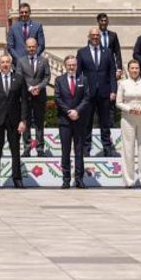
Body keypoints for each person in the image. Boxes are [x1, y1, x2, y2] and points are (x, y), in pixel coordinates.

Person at [0, 54, 28, 189]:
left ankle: (17, 179)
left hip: (14, 121)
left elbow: (24, 102)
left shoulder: (19, 79)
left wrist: (23, 121)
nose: (5, 64)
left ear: (11, 64)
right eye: (2, 62)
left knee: (15, 151)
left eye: (7, 62)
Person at [76, 28, 118, 158]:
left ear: (100, 37)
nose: (95, 37)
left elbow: (112, 73)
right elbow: (78, 74)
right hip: (88, 94)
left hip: (105, 93)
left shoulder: (108, 52)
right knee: (87, 123)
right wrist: (80, 92)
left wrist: (113, 90)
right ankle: (86, 149)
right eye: (93, 35)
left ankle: (107, 148)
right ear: (88, 36)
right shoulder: (82, 52)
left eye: (97, 35)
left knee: (105, 123)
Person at [116, 59, 141, 188]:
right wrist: (129, 109)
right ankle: (129, 180)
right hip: (127, 118)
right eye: (132, 68)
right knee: (128, 148)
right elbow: (118, 102)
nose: (134, 70)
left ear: (139, 69)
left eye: (136, 68)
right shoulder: (123, 84)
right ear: (128, 69)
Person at [55, 55, 91, 189]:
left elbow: (87, 97)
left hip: (79, 120)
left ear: (76, 65)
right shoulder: (59, 80)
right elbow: (58, 98)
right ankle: (66, 179)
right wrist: (69, 111)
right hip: (65, 120)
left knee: (79, 151)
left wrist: (77, 111)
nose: (71, 67)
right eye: (69, 65)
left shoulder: (84, 79)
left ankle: (79, 179)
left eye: (73, 65)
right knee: (65, 151)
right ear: (65, 65)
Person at [16, 38, 50, 158]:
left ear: (37, 47)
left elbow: (47, 77)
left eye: (33, 47)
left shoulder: (44, 60)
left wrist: (39, 87)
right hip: (25, 96)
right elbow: (19, 77)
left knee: (39, 123)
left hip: (40, 96)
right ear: (26, 47)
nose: (31, 49)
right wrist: (30, 88)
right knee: (26, 122)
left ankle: (40, 148)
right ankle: (27, 147)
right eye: (29, 47)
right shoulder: (20, 61)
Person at [96, 13, 124, 79]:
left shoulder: (113, 35)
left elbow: (117, 52)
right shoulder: (94, 35)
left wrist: (119, 68)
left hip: (111, 66)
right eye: (101, 21)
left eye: (105, 21)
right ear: (98, 22)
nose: (104, 23)